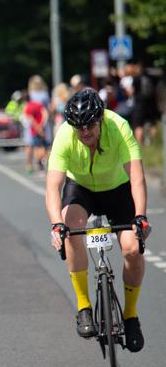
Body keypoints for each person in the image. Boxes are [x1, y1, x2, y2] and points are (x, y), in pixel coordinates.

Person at [46, 89, 150, 351]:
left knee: (133, 249)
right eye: (78, 127)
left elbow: (137, 176)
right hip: (80, 189)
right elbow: (52, 186)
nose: (84, 132)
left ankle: (130, 316)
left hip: (118, 189)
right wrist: (57, 225)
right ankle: (84, 307)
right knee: (70, 231)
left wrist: (140, 216)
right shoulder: (64, 136)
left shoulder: (119, 127)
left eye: (90, 125)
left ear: (101, 119)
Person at [131, 61, 160, 146]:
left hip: (140, 105)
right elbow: (156, 92)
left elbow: (132, 91)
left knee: (139, 125)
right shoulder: (152, 78)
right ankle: (154, 143)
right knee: (153, 124)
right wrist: (158, 104)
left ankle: (138, 145)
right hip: (152, 105)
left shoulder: (136, 79)